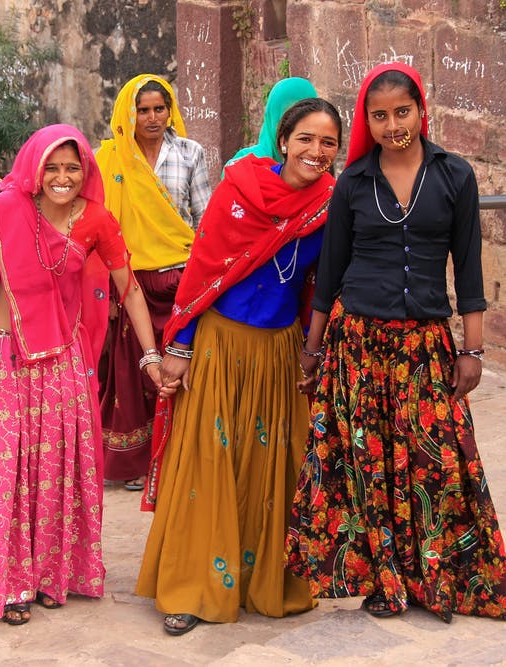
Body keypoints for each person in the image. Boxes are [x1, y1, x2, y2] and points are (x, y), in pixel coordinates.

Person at [285, 62, 506, 623]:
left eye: (402, 112)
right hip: (357, 345)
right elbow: (331, 274)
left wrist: (474, 349)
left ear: (421, 110)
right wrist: (313, 353)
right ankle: (385, 580)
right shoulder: (353, 183)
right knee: (367, 466)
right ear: (369, 120)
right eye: (380, 115)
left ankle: (434, 575)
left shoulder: (454, 175)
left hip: (423, 348)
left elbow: (469, 269)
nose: (394, 125)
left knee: (434, 464)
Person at [135, 99, 343, 636]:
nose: (315, 152)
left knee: (270, 470)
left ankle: (261, 581)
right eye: (305, 139)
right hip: (221, 349)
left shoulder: (331, 207)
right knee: (208, 466)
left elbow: (323, 286)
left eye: (327, 143)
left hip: (279, 353)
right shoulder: (239, 189)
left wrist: (313, 352)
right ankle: (192, 589)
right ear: (282, 139)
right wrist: (177, 346)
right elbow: (202, 269)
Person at [0, 124, 163, 625]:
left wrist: (151, 355)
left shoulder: (96, 220)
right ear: (34, 168)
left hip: (65, 363)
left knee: (59, 468)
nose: (62, 177)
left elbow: (130, 290)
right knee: (9, 470)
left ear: (85, 172)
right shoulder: (3, 213)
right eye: (51, 167)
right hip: (4, 356)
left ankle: (54, 575)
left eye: (72, 167)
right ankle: (10, 584)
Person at [96, 74, 213, 492]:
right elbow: (99, 224)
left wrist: (203, 281)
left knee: (181, 363)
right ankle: (138, 461)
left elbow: (203, 221)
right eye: (142, 110)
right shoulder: (108, 159)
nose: (151, 117)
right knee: (131, 371)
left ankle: (180, 452)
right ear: (129, 113)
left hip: (178, 276)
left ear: (170, 111)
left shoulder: (190, 153)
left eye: (158, 109)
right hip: (127, 279)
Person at [224, 76, 317, 170]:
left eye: (308, 118)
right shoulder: (243, 167)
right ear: (273, 118)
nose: (300, 127)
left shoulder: (318, 165)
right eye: (289, 118)